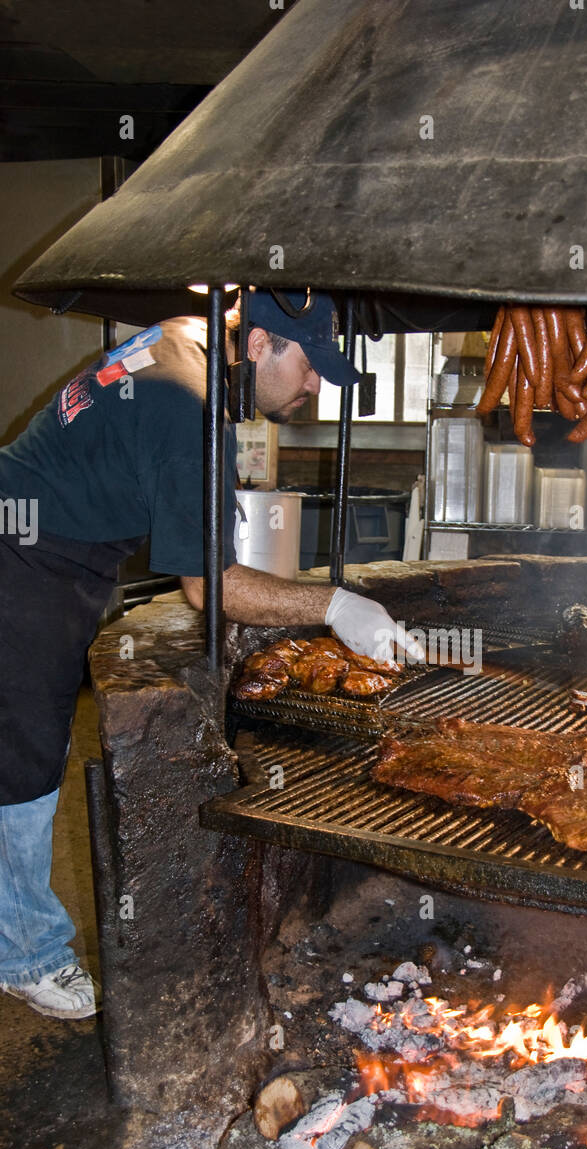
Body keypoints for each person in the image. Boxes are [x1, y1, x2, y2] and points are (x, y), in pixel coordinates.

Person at [0, 289, 422, 1020]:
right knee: (26, 759)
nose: (315, 386)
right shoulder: (189, 411)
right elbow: (211, 588)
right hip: (23, 562)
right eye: (310, 367)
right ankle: (24, 954)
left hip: (40, 539)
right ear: (257, 345)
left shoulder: (186, 336)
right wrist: (335, 605)